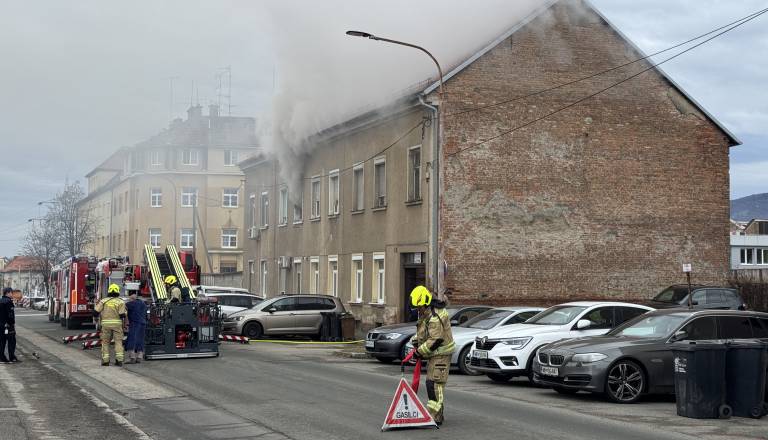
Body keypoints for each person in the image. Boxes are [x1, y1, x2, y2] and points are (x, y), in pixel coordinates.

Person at [409, 285, 455, 426]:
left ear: (425, 302)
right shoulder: (427, 313)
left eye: (419, 307)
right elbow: (424, 331)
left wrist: (418, 352)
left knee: (436, 384)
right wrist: (415, 340)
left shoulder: (435, 317)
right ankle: (434, 414)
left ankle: (436, 416)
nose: (418, 310)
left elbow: (435, 339)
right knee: (430, 383)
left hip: (441, 354)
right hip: (435, 354)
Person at [94, 283, 127, 366]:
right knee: (118, 342)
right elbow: (122, 315)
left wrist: (97, 319)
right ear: (118, 292)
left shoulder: (103, 301)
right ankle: (119, 360)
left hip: (105, 325)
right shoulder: (120, 302)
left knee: (105, 342)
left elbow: (95, 312)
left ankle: (105, 361)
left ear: (109, 291)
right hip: (117, 325)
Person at [125, 291, 147, 363]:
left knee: (132, 339)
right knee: (140, 339)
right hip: (143, 323)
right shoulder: (143, 303)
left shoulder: (131, 303)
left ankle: (132, 357)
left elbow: (123, 307)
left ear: (132, 298)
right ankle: (139, 357)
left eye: (130, 299)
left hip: (135, 323)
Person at [0, 287, 18, 363]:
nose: (12, 294)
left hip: (1, 325)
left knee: (2, 342)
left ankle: (2, 357)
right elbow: (10, 315)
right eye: (11, 292)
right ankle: (12, 357)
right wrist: (12, 323)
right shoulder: (8, 302)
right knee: (11, 341)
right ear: (7, 293)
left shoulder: (0, 301)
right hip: (8, 325)